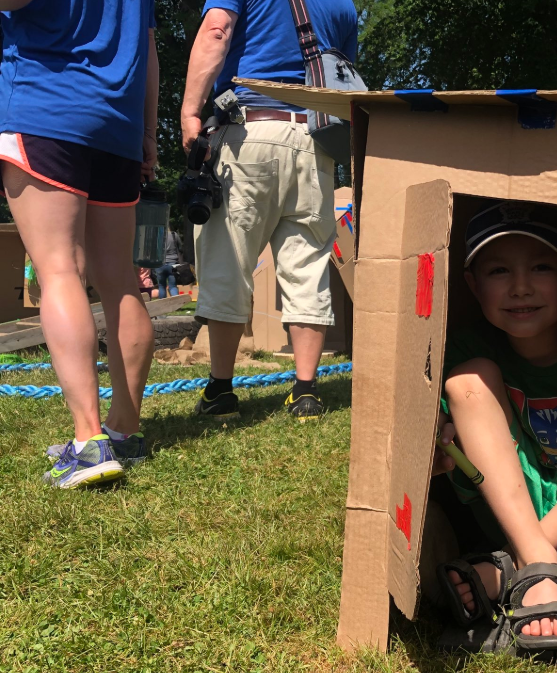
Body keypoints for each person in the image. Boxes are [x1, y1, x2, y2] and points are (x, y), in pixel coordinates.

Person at [436, 200, 557, 653]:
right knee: (467, 379)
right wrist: (439, 437)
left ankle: (517, 570)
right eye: (498, 272)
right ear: (472, 286)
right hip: (511, 509)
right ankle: (536, 561)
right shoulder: (466, 348)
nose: (520, 287)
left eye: (540, 267)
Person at [0, 0, 158, 487]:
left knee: (58, 269)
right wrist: (149, 134)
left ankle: (89, 444)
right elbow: (149, 52)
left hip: (46, 104)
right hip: (118, 123)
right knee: (120, 280)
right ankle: (123, 432)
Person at [181, 0, 357, 422]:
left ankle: (221, 390)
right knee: (308, 261)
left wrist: (190, 110)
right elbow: (344, 76)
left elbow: (217, 30)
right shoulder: (344, 6)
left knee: (229, 258)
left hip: (249, 130)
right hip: (315, 139)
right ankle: (305, 391)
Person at [154, 229, 182, 299]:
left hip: (160, 264)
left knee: (161, 286)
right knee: (173, 286)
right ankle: (177, 304)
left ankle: (162, 305)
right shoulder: (173, 234)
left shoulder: (156, 236)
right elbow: (180, 247)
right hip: (173, 264)